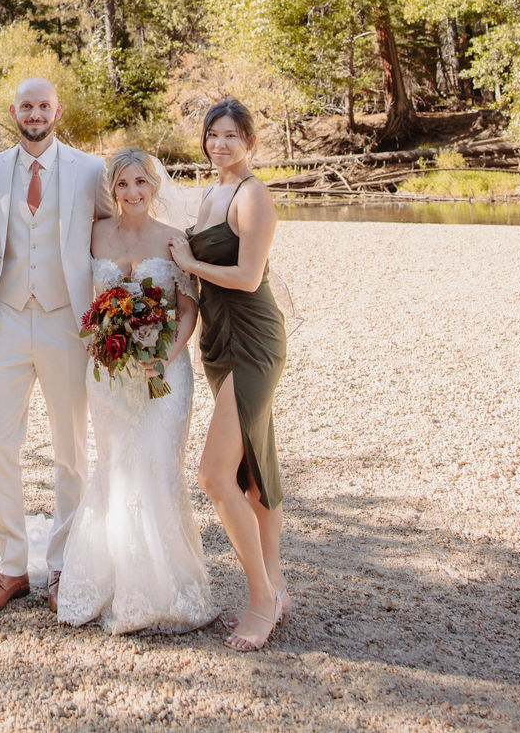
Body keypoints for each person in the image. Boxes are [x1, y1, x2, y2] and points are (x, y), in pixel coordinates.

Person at [0, 77, 115, 616]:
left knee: (71, 449)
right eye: (25, 106)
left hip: (65, 322)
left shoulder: (90, 171)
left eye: (43, 105)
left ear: (57, 109)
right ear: (13, 111)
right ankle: (10, 567)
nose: (34, 114)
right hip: (4, 317)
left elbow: (116, 227)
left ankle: (64, 564)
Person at [57, 148, 217, 635]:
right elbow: (84, 300)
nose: (132, 194)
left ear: (154, 186)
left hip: (162, 373)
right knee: (116, 469)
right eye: (123, 184)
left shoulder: (173, 240)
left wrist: (164, 355)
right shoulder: (94, 234)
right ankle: (109, 581)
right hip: (107, 374)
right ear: (112, 187)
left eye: (140, 184)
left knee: (157, 467)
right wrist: (105, 340)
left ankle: (164, 587)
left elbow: (188, 309)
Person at [169, 98, 288, 652]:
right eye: (213, 135)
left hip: (252, 340)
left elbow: (248, 274)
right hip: (217, 340)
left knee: (216, 476)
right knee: (256, 470)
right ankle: (278, 585)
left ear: (249, 142)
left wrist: (189, 264)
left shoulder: (252, 193)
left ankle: (260, 599)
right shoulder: (210, 193)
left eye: (231, 135)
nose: (221, 144)